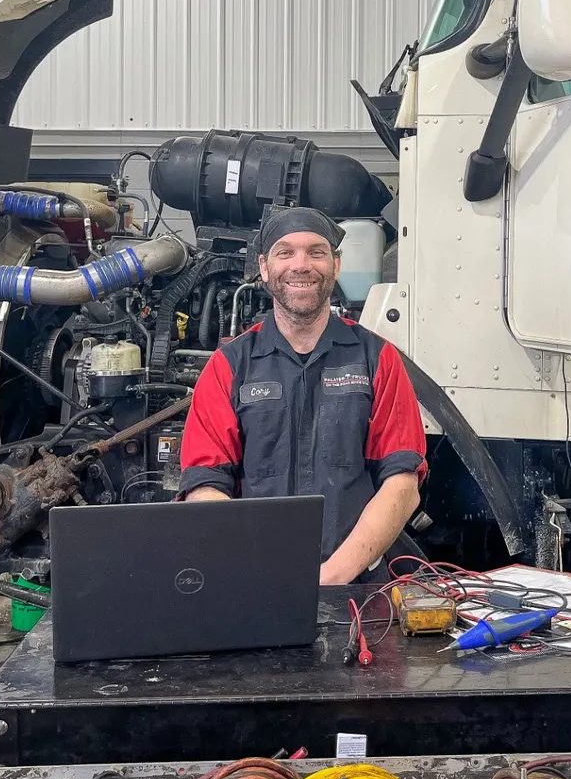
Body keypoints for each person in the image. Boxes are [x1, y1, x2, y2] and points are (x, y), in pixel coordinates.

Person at [178, 206, 426, 584]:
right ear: (264, 268)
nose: (301, 265)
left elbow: (402, 485)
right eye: (285, 252)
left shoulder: (378, 359)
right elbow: (204, 485)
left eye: (316, 252)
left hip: (356, 585)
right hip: (253, 578)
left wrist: (332, 576)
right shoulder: (228, 367)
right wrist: (255, 565)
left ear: (336, 265)